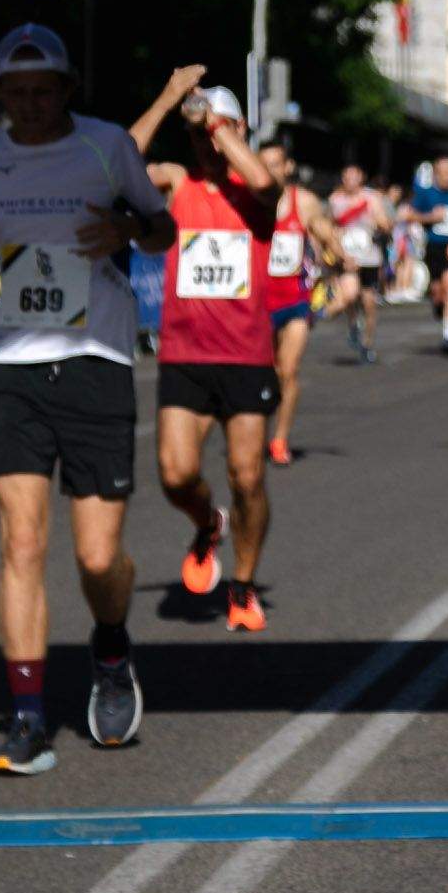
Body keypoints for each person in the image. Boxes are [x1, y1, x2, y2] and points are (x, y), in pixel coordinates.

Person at [0, 26, 175, 773]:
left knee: (97, 559)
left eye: (43, 91)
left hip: (96, 361)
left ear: (66, 89)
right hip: (16, 368)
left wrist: (127, 227)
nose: (30, 105)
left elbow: (163, 228)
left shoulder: (106, 148)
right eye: (16, 93)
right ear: (0, 95)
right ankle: (27, 720)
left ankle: (110, 645)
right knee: (21, 543)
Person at [131, 68, 278, 633]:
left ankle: (241, 585)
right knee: (175, 474)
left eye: (215, 135)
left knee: (247, 476)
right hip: (186, 356)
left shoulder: (258, 193)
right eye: (198, 138)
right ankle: (206, 523)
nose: (205, 145)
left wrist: (218, 127)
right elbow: (120, 166)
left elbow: (262, 179)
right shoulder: (177, 182)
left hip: (244, 358)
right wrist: (170, 99)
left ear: (237, 129)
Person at [258, 139, 349, 466]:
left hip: (296, 300)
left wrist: (340, 253)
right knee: (262, 374)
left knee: (289, 370)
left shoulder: (304, 201)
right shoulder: (251, 201)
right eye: (263, 164)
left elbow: (324, 230)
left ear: (287, 167)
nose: (270, 170)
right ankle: (256, 434)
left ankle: (280, 439)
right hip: (259, 303)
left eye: (276, 164)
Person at [405, 155, 448, 354]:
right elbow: (408, 215)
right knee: (438, 292)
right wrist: (430, 217)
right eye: (441, 173)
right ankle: (439, 306)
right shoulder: (426, 195)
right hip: (433, 249)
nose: (446, 177)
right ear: (435, 175)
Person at [329, 164, 390, 363]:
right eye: (346, 177)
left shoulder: (372, 199)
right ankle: (353, 323)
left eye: (354, 177)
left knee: (369, 303)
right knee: (349, 294)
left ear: (361, 178)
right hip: (348, 258)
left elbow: (386, 224)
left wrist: (379, 222)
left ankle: (367, 342)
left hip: (369, 258)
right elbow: (329, 227)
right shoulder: (335, 200)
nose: (350, 181)